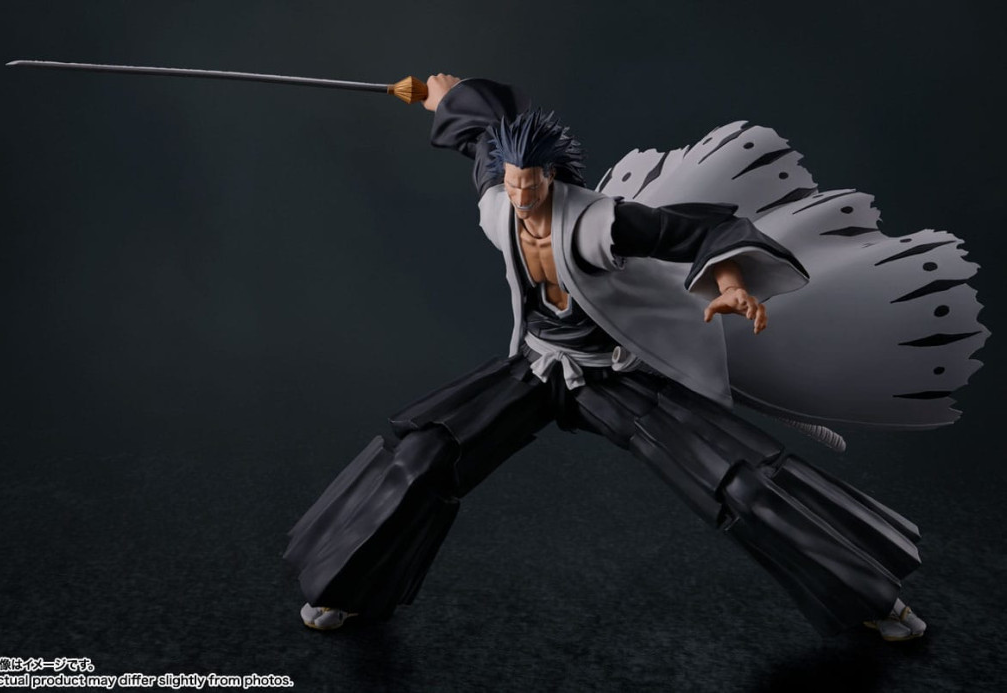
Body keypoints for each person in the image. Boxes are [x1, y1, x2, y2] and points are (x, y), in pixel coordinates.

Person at [283, 74, 927, 641]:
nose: (520, 195)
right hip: (537, 367)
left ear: (553, 175)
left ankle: (873, 597)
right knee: (424, 454)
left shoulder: (603, 223)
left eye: (531, 183)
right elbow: (483, 132)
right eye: (512, 183)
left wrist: (732, 284)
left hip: (612, 378)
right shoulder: (497, 204)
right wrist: (447, 96)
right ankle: (342, 588)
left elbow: (703, 231)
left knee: (740, 484)